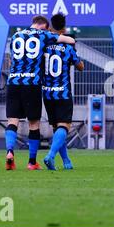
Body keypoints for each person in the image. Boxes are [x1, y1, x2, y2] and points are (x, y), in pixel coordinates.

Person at [5, 15, 75, 171]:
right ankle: (31, 162)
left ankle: (10, 152)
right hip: (32, 84)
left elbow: (12, 59)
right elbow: (70, 41)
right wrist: (61, 38)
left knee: (12, 121)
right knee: (34, 124)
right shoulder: (44, 34)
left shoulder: (16, 35)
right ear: (43, 26)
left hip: (14, 82)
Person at [42, 13, 84, 170]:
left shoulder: (44, 45)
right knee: (64, 126)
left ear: (51, 26)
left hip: (47, 93)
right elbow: (80, 66)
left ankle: (66, 162)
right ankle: (50, 156)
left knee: (57, 128)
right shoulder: (68, 47)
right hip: (63, 92)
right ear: (64, 27)